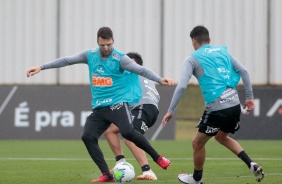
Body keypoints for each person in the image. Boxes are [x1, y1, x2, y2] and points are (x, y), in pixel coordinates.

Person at [26, 27, 172, 183]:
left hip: (117, 105)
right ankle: (107, 175)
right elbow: (67, 60)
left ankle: (158, 158)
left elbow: (140, 69)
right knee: (87, 136)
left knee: (129, 133)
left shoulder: (120, 58)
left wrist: (159, 79)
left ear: (113, 41)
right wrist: (41, 67)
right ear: (98, 42)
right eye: (103, 45)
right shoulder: (90, 55)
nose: (106, 48)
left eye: (109, 44)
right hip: (99, 108)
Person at [162, 25, 265, 184]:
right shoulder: (223, 52)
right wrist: (249, 97)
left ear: (193, 41)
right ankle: (251, 164)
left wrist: (170, 110)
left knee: (197, 143)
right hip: (234, 104)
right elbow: (244, 71)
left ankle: (196, 179)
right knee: (221, 137)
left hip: (218, 108)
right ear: (209, 40)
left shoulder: (192, 58)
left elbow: (182, 85)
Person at [104, 52, 159, 181]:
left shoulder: (131, 74)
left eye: (128, 62)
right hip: (147, 108)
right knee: (110, 130)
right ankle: (120, 163)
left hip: (143, 107)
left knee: (130, 136)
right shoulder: (146, 76)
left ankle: (148, 170)